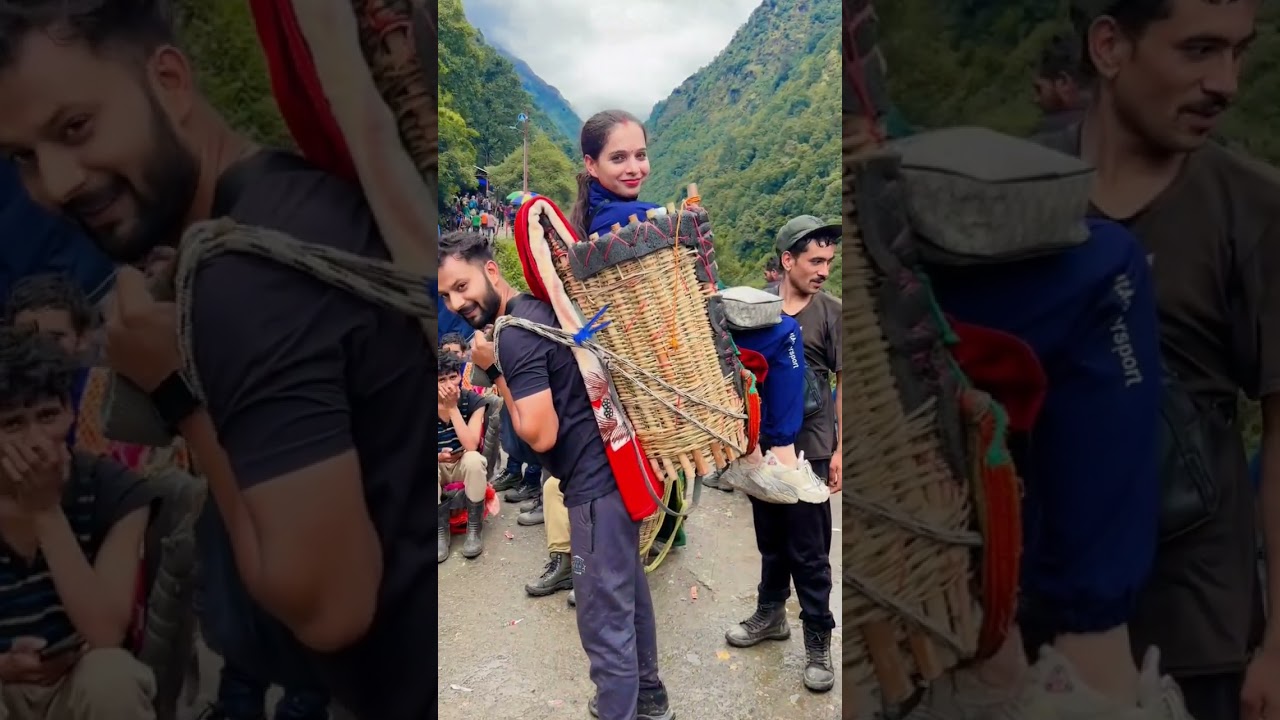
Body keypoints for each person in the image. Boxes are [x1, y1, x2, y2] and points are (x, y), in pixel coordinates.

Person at [0, 3, 433, 718]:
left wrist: (173, 389)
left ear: (169, 81)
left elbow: (329, 609)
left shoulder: (244, 279)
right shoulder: (284, 201)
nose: (55, 182)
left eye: (75, 127)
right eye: (22, 156)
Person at [1038, 2, 1280, 717]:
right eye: (1199, 50)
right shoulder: (1018, 194)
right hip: (1034, 615)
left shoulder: (1253, 208)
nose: (1226, 82)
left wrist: (1278, 647)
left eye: (1238, 52)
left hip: (1198, 626)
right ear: (1110, 46)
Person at [438, 229, 675, 720]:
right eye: (446, 295)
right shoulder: (535, 309)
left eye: (462, 286)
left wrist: (493, 370)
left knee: (602, 620)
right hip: (613, 475)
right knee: (627, 595)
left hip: (593, 489)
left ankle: (621, 709)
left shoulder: (514, 335)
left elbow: (539, 434)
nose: (456, 303)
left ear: (491, 271)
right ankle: (650, 698)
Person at [0, 325, 158, 719]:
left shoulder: (113, 490)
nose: (36, 440)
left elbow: (105, 632)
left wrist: (45, 511)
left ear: (70, 412)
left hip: (75, 683)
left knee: (112, 676)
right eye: (12, 424)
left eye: (48, 416)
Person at [723, 215, 841, 694]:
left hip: (811, 445)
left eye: (829, 261)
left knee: (809, 550)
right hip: (761, 443)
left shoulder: (831, 313)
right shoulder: (757, 309)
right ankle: (771, 614)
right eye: (815, 260)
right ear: (787, 260)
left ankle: (818, 640)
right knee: (771, 539)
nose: (824, 270)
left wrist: (841, 449)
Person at [437, 351, 488, 562]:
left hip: (462, 463)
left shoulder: (474, 401)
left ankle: (474, 529)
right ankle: (439, 532)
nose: (449, 384)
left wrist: (452, 408)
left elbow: (471, 445)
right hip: (438, 464)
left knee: (474, 459)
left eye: (452, 377)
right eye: (441, 380)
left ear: (460, 376)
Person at [1031, 32, 1090, 135]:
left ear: (1063, 82)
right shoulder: (1112, 122)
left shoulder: (1052, 132)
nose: (1035, 99)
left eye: (1039, 89)